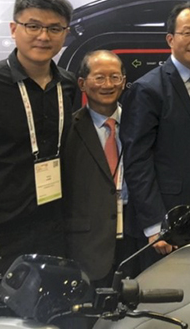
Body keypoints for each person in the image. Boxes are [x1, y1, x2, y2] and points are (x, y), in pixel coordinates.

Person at [0, 0, 76, 270]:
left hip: (51, 227)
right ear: (13, 28)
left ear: (65, 34)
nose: (43, 36)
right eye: (33, 26)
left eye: (54, 28)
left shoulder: (67, 85)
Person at [121, 1, 190, 260]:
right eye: (188, 33)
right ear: (170, 39)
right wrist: (155, 223)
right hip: (171, 214)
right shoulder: (148, 89)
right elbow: (137, 160)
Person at [62, 50, 134, 287]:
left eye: (114, 77)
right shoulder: (67, 131)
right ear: (82, 83)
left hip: (136, 242)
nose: (108, 85)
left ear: (124, 81)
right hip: (87, 247)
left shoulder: (141, 123)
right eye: (99, 77)